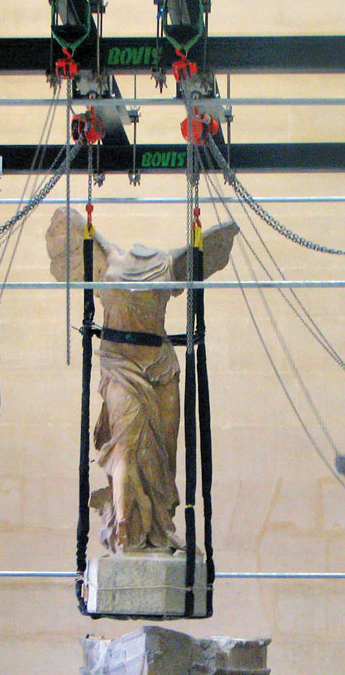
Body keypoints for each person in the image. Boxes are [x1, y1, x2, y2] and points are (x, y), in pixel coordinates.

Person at [46, 206, 239, 553]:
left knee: (165, 453)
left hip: (161, 365)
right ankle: (125, 527)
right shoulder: (106, 259)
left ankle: (162, 527)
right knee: (126, 450)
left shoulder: (167, 263)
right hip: (119, 363)